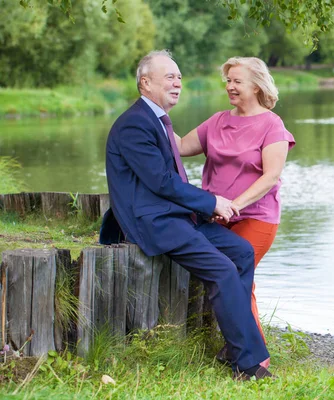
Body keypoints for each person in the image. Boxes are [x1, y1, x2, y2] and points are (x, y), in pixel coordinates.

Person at [99, 50, 272, 381]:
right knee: (221, 269)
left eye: (179, 77)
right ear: (145, 83)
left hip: (175, 216)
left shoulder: (159, 120)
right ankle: (247, 364)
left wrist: (202, 207)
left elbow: (169, 184)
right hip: (152, 223)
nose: (177, 82)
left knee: (241, 252)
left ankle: (234, 346)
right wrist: (212, 203)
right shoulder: (135, 124)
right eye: (169, 77)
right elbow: (161, 182)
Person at [176, 57, 295, 368]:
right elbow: (179, 145)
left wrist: (234, 205)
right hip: (215, 218)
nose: (229, 86)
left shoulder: (273, 125)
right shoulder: (216, 122)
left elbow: (270, 177)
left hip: (256, 218)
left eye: (236, 81)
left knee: (236, 276)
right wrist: (155, 116)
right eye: (228, 80)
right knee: (231, 279)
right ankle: (239, 349)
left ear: (256, 86)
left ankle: (256, 359)